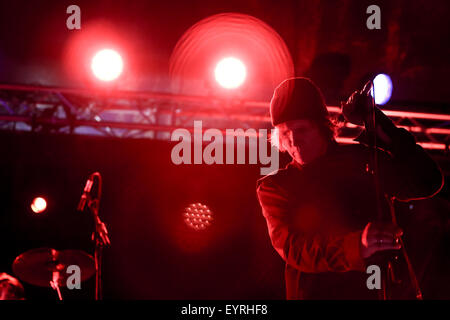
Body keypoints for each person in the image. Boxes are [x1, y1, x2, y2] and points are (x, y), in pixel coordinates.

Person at [256, 77, 444, 299]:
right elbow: (295, 250)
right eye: (285, 133)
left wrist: (378, 123)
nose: (294, 141)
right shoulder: (275, 187)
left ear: (323, 126)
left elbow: (427, 181)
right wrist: (357, 246)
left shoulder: (364, 160)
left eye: (302, 129)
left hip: (374, 291)